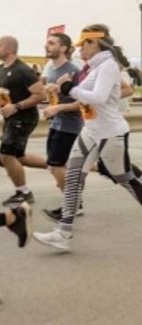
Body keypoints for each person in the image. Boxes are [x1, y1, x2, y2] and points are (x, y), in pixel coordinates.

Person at [33, 25, 142, 251]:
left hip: (110, 133)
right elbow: (80, 93)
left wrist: (69, 86)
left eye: (81, 45)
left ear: (94, 43)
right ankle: (63, 233)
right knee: (74, 176)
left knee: (124, 179)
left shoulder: (108, 67)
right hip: (91, 131)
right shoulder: (93, 67)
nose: (78, 50)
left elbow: (97, 97)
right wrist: (60, 87)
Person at [0, 36, 48, 206]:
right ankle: (57, 166)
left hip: (23, 117)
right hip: (11, 117)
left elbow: (41, 95)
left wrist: (17, 106)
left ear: (10, 48)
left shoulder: (22, 70)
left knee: (6, 155)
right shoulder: (2, 69)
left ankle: (24, 193)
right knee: (17, 157)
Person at [40, 33, 83, 216]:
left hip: (70, 125)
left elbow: (81, 102)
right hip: (56, 123)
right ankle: (74, 202)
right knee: (54, 166)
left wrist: (57, 109)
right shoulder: (50, 69)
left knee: (57, 165)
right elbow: (50, 97)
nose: (46, 46)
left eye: (51, 43)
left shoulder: (73, 70)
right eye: (47, 43)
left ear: (64, 48)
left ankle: (72, 206)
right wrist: (47, 92)